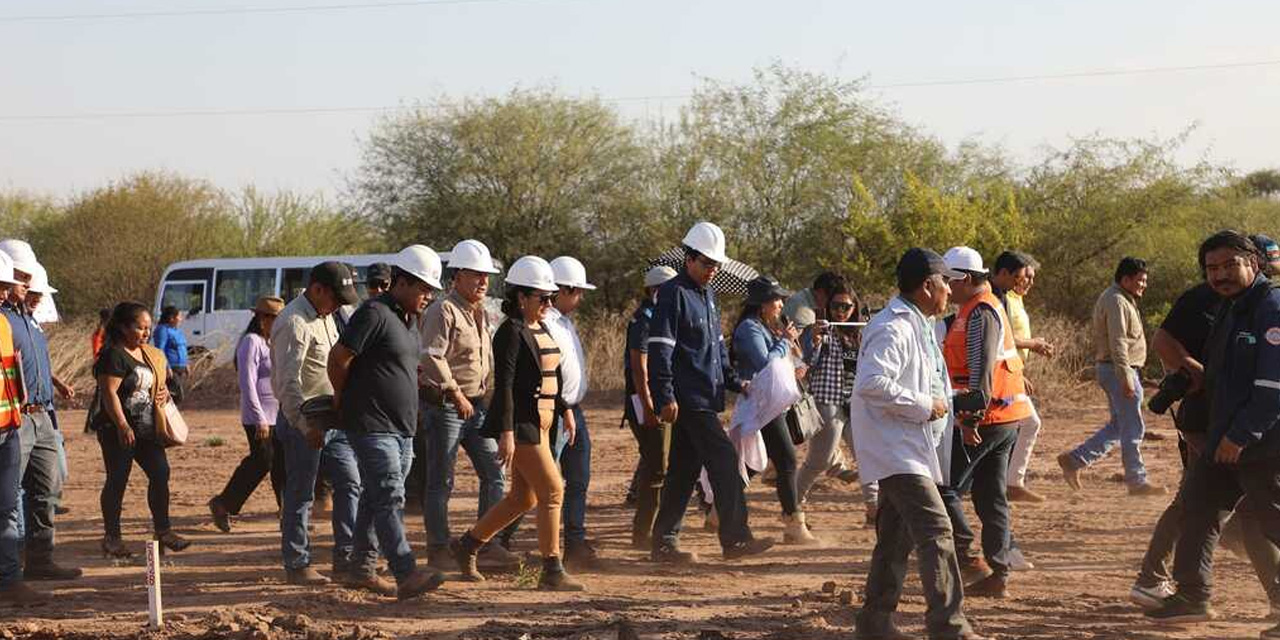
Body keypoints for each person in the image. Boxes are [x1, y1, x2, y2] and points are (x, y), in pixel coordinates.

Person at [1129, 233, 1280, 610]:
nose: (1220, 275)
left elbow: (1272, 387)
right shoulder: (1230, 307)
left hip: (1262, 441)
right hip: (1221, 435)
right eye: (1212, 268)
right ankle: (1193, 595)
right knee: (1198, 506)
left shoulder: (1271, 308)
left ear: (1254, 264)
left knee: (1270, 523)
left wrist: (1241, 435)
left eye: (1230, 265)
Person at [852, 248, 987, 640]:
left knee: (895, 541)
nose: (950, 289)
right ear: (928, 285)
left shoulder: (921, 325)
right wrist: (929, 406)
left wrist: (953, 407)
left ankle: (874, 625)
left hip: (910, 446)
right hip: (896, 450)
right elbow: (871, 384)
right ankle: (949, 627)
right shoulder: (893, 327)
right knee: (937, 530)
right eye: (946, 281)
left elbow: (924, 386)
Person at [451, 256, 585, 591]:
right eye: (542, 298)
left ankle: (467, 545)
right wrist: (507, 433)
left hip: (545, 421)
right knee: (553, 490)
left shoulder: (541, 326)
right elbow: (506, 384)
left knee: (523, 499)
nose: (548, 304)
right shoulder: (510, 332)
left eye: (551, 298)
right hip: (522, 424)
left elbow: (550, 374)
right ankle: (552, 568)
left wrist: (565, 407)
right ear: (522, 297)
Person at [648, 221, 774, 563]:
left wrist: (735, 382)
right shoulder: (673, 294)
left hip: (707, 395)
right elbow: (660, 348)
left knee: (683, 471)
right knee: (723, 461)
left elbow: (717, 351)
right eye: (706, 263)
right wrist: (665, 396)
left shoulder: (709, 296)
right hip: (689, 399)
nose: (711, 270)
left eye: (716, 265)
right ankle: (735, 539)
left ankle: (663, 543)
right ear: (688, 259)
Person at [329, 245, 447, 600]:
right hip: (371, 424)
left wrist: (424, 386)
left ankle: (361, 569)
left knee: (374, 496)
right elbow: (339, 358)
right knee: (389, 495)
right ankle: (405, 571)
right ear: (403, 282)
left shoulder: (409, 321)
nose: (428, 296)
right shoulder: (374, 313)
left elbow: (400, 368)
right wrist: (343, 398)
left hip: (403, 429)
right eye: (424, 288)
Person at [417, 239, 519, 572]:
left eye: (486, 276)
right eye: (476, 275)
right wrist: (454, 392)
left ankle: (481, 543)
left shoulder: (480, 311)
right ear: (458, 275)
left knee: (496, 474)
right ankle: (438, 549)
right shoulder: (442, 309)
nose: (483, 282)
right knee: (441, 481)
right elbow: (431, 356)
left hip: (476, 406)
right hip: (447, 406)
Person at [937, 246, 1032, 599]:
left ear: (964, 279)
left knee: (944, 488)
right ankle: (999, 574)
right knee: (990, 495)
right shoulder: (979, 308)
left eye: (948, 280)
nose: (945, 287)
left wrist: (969, 417)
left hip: (986, 418)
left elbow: (980, 376)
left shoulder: (979, 314)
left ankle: (967, 555)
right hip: (1003, 416)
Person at [271, 261, 363, 586]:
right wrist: (303, 425)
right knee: (300, 493)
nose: (338, 304)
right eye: (335, 297)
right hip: (304, 421)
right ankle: (297, 564)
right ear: (317, 289)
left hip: (332, 419)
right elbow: (287, 383)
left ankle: (347, 559)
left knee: (351, 483)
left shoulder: (327, 317)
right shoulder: (294, 322)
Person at [0, 240, 80, 581]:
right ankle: (10, 570)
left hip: (42, 414)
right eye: (19, 279)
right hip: (17, 418)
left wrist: (55, 385)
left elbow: (33, 364)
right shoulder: (5, 320)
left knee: (47, 489)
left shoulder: (29, 321)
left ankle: (40, 559)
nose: (25, 285)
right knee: (8, 498)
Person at [1058, 257, 1165, 495]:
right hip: (1118, 370)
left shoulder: (1121, 298)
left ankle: (1075, 460)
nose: (1143, 285)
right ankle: (1137, 481)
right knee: (1132, 427)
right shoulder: (1116, 300)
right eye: (1140, 281)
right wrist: (1126, 375)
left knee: (1120, 425)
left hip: (1116, 369)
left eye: (1145, 281)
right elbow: (1118, 342)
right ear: (1125, 279)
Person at [91, 302, 189, 558]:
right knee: (118, 479)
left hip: (146, 427)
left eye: (148, 327)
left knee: (160, 472)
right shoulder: (113, 355)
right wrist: (122, 424)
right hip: (117, 429)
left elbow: (155, 383)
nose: (145, 333)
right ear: (124, 328)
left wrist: (164, 391)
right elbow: (109, 392)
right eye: (139, 327)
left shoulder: (149, 353)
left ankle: (163, 531)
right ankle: (112, 539)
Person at [731, 276, 818, 545]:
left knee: (759, 459)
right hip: (760, 404)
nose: (781, 304)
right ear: (762, 303)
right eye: (776, 299)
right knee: (787, 460)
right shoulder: (749, 329)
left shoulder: (762, 327)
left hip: (768, 403)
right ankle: (793, 524)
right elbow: (765, 363)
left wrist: (796, 356)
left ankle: (719, 507)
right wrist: (784, 342)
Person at [798, 282, 877, 522]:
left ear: (855, 308)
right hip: (828, 402)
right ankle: (793, 506)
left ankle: (874, 511)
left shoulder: (862, 333)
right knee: (818, 460)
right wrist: (813, 338)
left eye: (846, 306)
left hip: (856, 403)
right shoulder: (823, 330)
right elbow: (807, 361)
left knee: (867, 456)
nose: (840, 311)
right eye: (835, 306)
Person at [208, 296, 287, 533]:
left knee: (282, 464)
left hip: (279, 414)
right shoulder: (251, 342)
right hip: (258, 416)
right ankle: (223, 503)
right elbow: (248, 383)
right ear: (262, 318)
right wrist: (259, 417)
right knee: (262, 460)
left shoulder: (272, 342)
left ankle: (288, 512)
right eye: (275, 319)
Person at [546, 256, 600, 568]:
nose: (580, 298)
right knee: (546, 484)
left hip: (572, 411)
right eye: (577, 292)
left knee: (578, 478)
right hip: (554, 411)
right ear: (562, 290)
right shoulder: (547, 324)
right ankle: (501, 540)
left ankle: (575, 542)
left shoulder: (564, 323)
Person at [989, 251, 1053, 504]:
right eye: (1022, 276)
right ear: (1005, 274)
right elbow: (1001, 339)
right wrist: (1033, 344)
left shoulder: (1007, 297)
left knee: (1016, 426)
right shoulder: (998, 298)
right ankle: (1009, 483)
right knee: (1026, 424)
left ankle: (1006, 482)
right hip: (1000, 374)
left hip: (1008, 371)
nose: (1024, 281)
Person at [0, 252, 45, 604]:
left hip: (8, 426)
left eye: (5, 287)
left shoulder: (5, 324)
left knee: (7, 505)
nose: (4, 294)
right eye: (0, 287)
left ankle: (9, 580)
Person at [624, 265, 677, 550]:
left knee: (656, 463)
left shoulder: (657, 317)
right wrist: (647, 406)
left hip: (655, 401)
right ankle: (643, 533)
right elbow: (639, 369)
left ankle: (647, 529)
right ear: (656, 290)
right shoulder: (645, 320)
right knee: (657, 467)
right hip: (647, 403)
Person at [153, 306, 189, 377]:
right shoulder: (162, 330)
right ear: (172, 318)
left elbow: (183, 348)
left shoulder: (177, 331)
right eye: (179, 317)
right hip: (171, 368)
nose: (180, 319)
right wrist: (166, 366)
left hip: (181, 367)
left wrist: (186, 363)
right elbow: (160, 350)